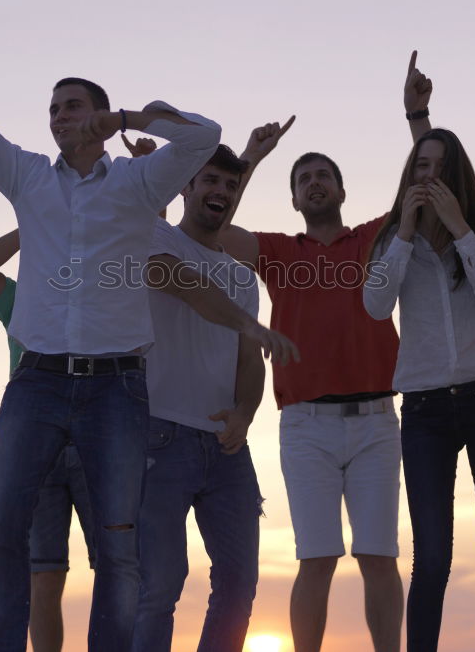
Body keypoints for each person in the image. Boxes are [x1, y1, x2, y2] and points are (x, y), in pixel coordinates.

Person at [0, 0, 221, 652]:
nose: (60, 116)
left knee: (118, 550)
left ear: (95, 114)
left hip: (117, 389)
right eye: (54, 109)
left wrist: (125, 119)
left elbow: (205, 138)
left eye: (72, 106)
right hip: (34, 383)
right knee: (2, 533)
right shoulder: (27, 175)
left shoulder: (136, 179)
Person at [217, 53, 432, 652]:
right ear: (293, 199)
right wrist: (250, 158)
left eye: (323, 176)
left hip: (375, 423)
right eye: (303, 178)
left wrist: (417, 115)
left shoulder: (373, 237)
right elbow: (210, 225)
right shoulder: (275, 251)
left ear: (340, 189)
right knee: (316, 560)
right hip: (305, 426)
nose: (314, 182)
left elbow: (426, 182)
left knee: (379, 557)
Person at [363, 127, 475, 652]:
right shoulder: (393, 236)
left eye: (439, 167)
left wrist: (461, 227)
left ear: (456, 175)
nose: (429, 176)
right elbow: (375, 306)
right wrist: (405, 232)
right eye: (421, 166)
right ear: (410, 174)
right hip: (425, 411)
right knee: (432, 558)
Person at [134, 144, 297, 652]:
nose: (220, 192)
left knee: (239, 584)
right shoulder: (151, 235)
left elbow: (250, 363)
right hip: (157, 438)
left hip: (226, 450)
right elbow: (183, 284)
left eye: (230, 185)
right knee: (158, 587)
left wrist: (245, 414)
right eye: (210, 181)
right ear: (186, 186)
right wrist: (250, 322)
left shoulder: (243, 278)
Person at [0, 229, 96, 652]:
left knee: (117, 565)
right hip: (36, 449)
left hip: (97, 442)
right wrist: (32, 224)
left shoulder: (105, 300)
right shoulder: (20, 300)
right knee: (45, 573)